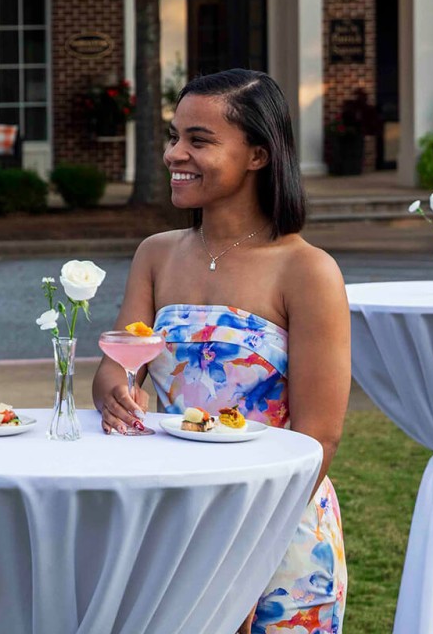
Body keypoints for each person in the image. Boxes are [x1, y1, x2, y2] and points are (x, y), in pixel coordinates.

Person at [92, 69, 350, 634]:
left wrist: (243, 546)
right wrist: (116, 392)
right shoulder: (156, 255)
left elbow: (319, 435)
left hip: (275, 532)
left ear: (258, 155)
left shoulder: (307, 270)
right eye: (174, 136)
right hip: (172, 521)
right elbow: (116, 368)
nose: (174, 155)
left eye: (199, 141)